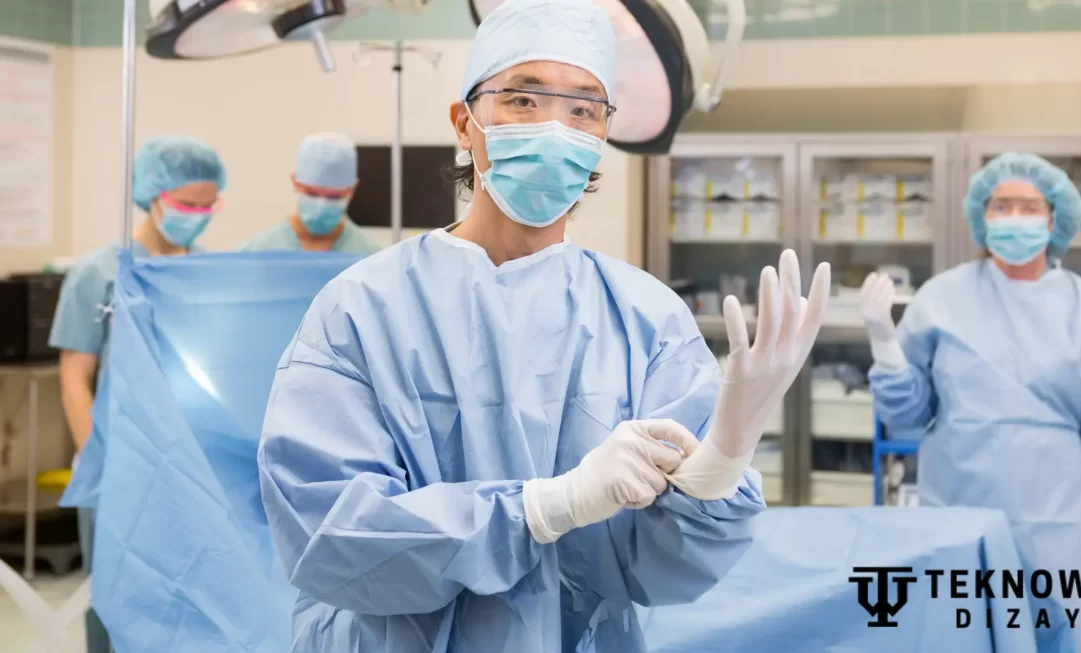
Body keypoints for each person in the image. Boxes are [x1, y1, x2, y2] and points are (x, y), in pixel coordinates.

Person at [256, 1, 831, 651]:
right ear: (464, 123)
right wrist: (543, 507)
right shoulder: (359, 309)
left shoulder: (648, 322)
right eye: (524, 100)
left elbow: (663, 571)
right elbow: (328, 537)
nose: (556, 127)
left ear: (600, 140)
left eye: (583, 108)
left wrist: (718, 469)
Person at [862, 152, 1081, 652]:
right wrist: (884, 344)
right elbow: (907, 414)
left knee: (1079, 632)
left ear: (1054, 217)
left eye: (1028, 206)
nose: (1014, 218)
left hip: (1063, 514)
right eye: (1002, 205)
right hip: (960, 500)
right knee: (961, 632)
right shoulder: (941, 299)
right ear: (983, 215)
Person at [48, 134, 225, 653]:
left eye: (207, 205)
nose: (197, 214)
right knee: (116, 600)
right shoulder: (101, 272)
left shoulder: (205, 271)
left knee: (188, 602)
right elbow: (75, 377)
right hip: (119, 462)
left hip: (189, 466)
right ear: (152, 194)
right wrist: (97, 458)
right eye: (185, 204)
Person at [239, 132, 379, 255]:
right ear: (295, 182)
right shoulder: (256, 253)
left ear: (351, 189)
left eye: (334, 197)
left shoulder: (369, 255)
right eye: (312, 194)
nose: (321, 205)